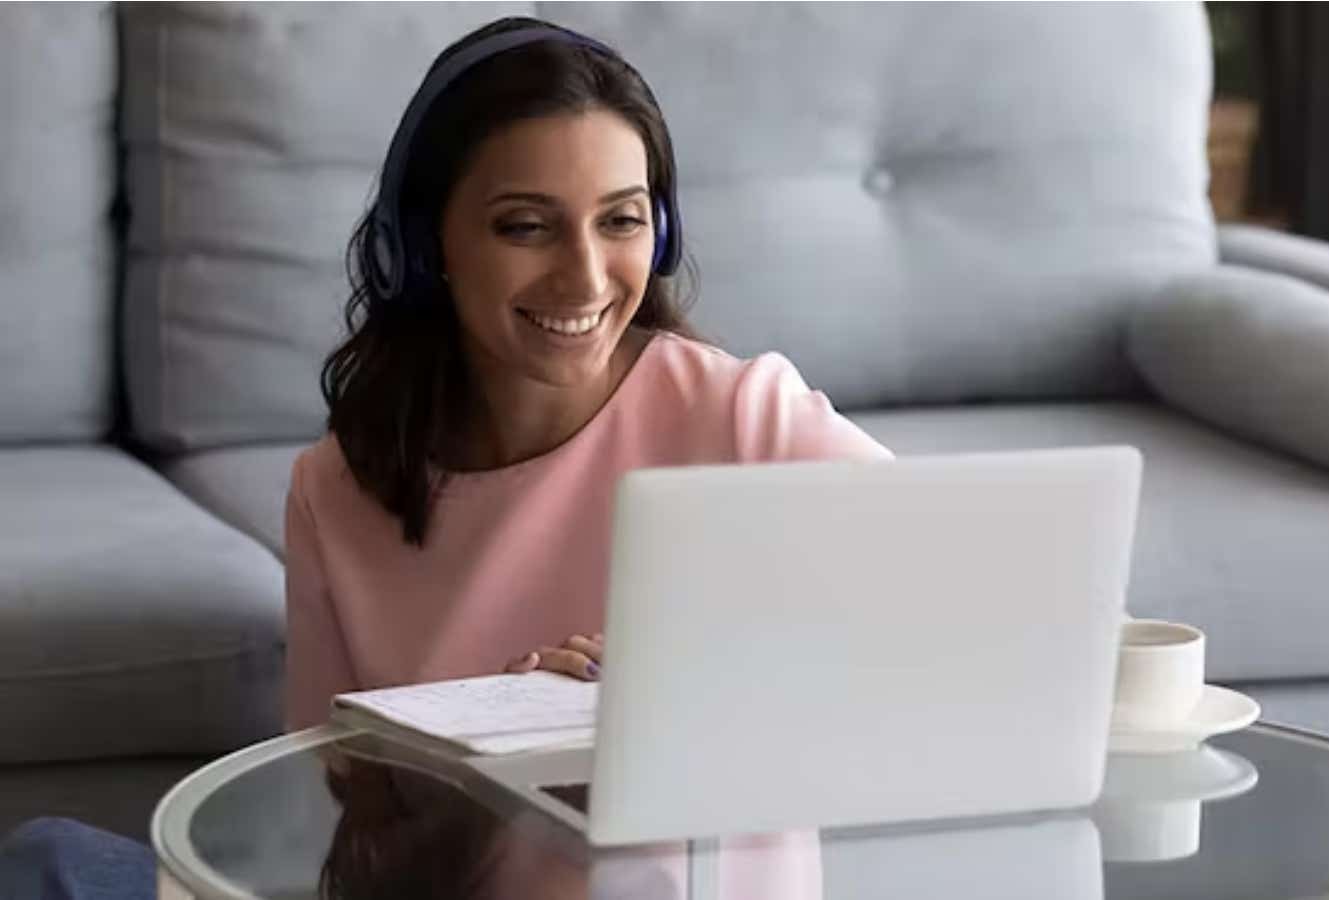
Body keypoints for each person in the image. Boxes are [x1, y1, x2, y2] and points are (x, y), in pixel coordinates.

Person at [0, 14, 882, 899]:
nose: (585, 278)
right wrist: (490, 767)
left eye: (621, 220)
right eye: (526, 227)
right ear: (427, 249)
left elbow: (969, 602)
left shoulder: (742, 419)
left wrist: (686, 671)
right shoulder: (337, 489)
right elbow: (342, 848)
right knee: (49, 863)